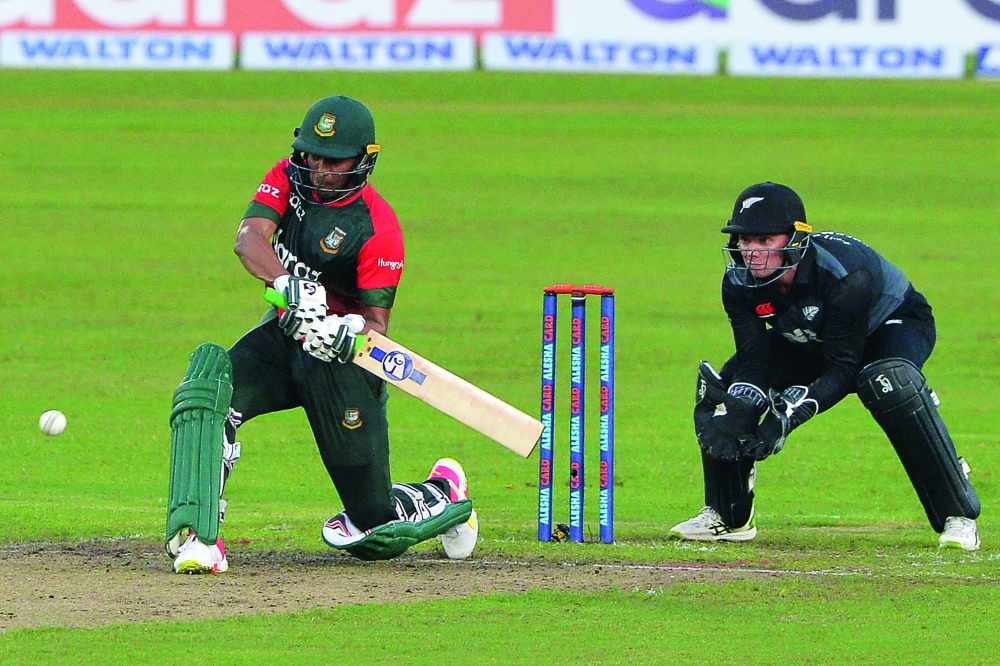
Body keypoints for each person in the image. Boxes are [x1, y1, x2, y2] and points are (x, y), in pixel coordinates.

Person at [165, 96, 479, 573]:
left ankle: (442, 492)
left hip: (340, 361)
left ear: (363, 161)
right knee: (213, 394)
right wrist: (289, 287)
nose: (318, 168)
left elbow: (377, 328)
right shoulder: (286, 178)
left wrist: (341, 331)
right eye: (311, 154)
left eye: (333, 160)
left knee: (374, 527)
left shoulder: (377, 229)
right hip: (284, 335)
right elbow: (248, 238)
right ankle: (201, 535)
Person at [669, 182, 981, 550]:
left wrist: (790, 413)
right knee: (729, 388)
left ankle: (957, 516)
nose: (751, 252)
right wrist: (742, 401)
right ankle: (729, 515)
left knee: (890, 383)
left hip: (888, 326)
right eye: (744, 240)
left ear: (793, 240)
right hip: (811, 333)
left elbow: (843, 368)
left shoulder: (845, 277)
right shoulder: (738, 281)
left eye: (764, 241)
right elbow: (754, 361)